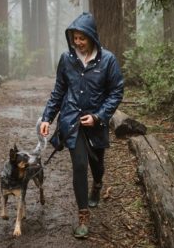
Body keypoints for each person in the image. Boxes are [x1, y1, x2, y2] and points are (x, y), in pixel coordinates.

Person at [40, 12, 124, 239]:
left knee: (97, 166)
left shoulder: (108, 60)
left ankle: (97, 184)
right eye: (74, 38)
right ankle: (83, 216)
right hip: (72, 122)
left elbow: (116, 92)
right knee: (79, 165)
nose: (77, 42)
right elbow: (58, 91)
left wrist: (98, 116)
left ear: (92, 37)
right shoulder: (66, 59)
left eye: (82, 38)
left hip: (96, 124)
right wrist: (47, 117)